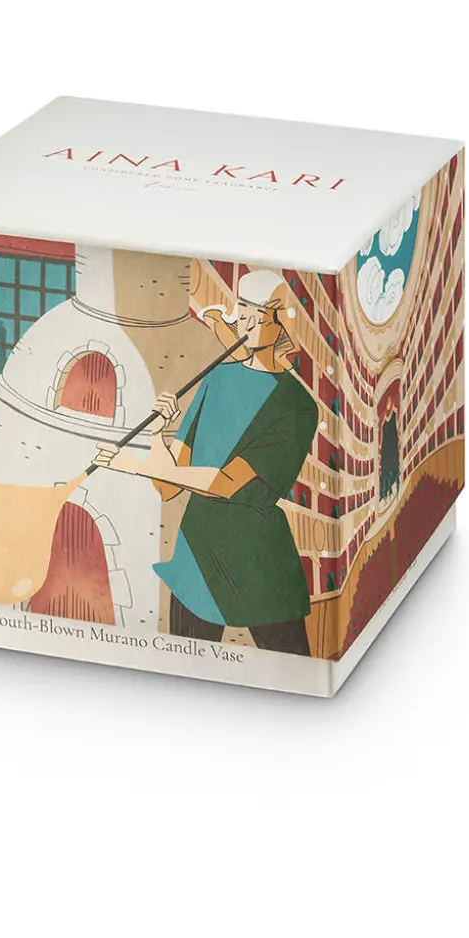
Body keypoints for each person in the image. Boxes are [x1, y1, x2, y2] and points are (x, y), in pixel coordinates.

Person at [92, 268, 318, 655]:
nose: (247, 323)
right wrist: (158, 435)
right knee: (186, 667)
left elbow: (224, 484)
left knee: (292, 668)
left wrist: (134, 465)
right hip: (195, 556)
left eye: (259, 314)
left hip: (258, 560)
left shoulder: (296, 404)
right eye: (242, 311)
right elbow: (168, 486)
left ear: (280, 320)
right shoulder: (216, 379)